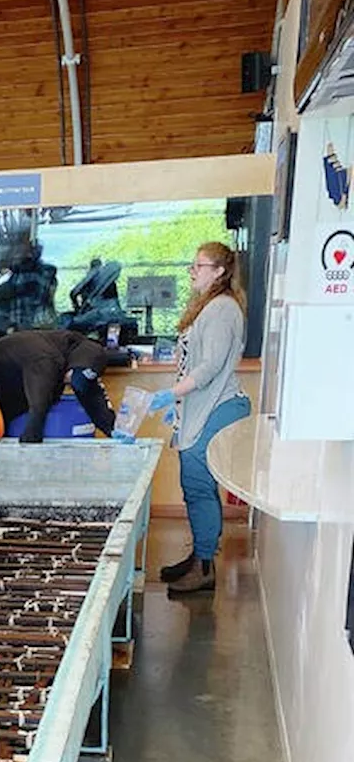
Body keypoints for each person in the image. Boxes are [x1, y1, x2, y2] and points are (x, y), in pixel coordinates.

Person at [156, 242, 250, 596]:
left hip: (217, 406)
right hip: (203, 405)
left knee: (198, 485)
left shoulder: (222, 309)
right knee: (195, 485)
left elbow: (209, 367)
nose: (192, 271)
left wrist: (173, 394)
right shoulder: (210, 306)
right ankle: (199, 555)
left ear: (220, 271)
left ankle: (205, 567)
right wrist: (178, 403)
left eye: (199, 265)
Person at [0, 328, 117, 443]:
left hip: (9, 393)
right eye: (70, 378)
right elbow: (37, 411)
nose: (68, 383)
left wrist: (114, 432)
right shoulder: (46, 360)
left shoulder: (73, 352)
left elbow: (89, 393)